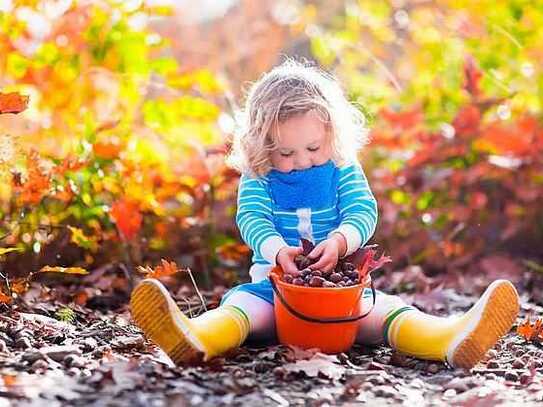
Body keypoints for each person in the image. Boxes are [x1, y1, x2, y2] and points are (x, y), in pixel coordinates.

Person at [130, 59, 520, 369]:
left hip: (340, 295)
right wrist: (276, 250)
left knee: (382, 312)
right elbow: (251, 218)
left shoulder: (341, 167)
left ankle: (449, 338)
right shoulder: (260, 176)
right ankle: (193, 337)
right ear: (263, 147)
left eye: (313, 148)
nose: (301, 161)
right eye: (286, 153)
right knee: (241, 310)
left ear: (332, 134)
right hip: (276, 295)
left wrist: (340, 241)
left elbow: (362, 211)